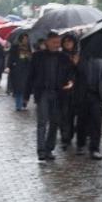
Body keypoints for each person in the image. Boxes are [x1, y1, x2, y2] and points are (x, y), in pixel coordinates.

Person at [25, 31, 75, 162]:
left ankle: (49, 149)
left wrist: (70, 81)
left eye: (58, 43)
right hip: (43, 93)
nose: (56, 45)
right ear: (47, 42)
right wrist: (26, 95)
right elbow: (30, 76)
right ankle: (41, 151)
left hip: (58, 94)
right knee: (42, 122)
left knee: (55, 122)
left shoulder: (64, 57)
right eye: (54, 42)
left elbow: (70, 73)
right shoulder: (37, 57)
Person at [72, 50, 102, 159]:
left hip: (97, 96)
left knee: (96, 123)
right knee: (82, 121)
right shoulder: (80, 60)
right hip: (83, 96)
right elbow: (74, 75)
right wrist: (75, 64)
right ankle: (80, 144)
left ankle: (95, 148)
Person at [7, 34, 33, 112]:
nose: (25, 40)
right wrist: (12, 65)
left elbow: (31, 59)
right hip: (17, 70)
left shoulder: (28, 48)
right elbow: (11, 57)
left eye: (26, 39)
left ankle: (23, 103)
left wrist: (29, 56)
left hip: (26, 70)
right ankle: (18, 105)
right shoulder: (15, 47)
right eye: (24, 39)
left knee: (25, 87)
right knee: (18, 88)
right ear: (20, 39)